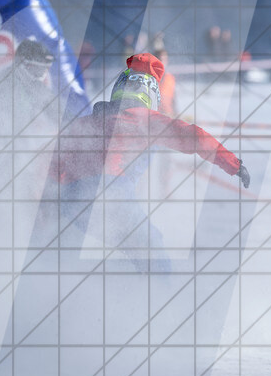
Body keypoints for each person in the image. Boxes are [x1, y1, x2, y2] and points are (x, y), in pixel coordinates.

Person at [45, 52, 249, 272]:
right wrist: (233, 164)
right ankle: (159, 298)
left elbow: (55, 161)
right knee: (152, 250)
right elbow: (196, 137)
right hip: (112, 194)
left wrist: (52, 199)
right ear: (151, 93)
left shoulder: (86, 123)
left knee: (76, 257)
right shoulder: (147, 120)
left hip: (71, 200)